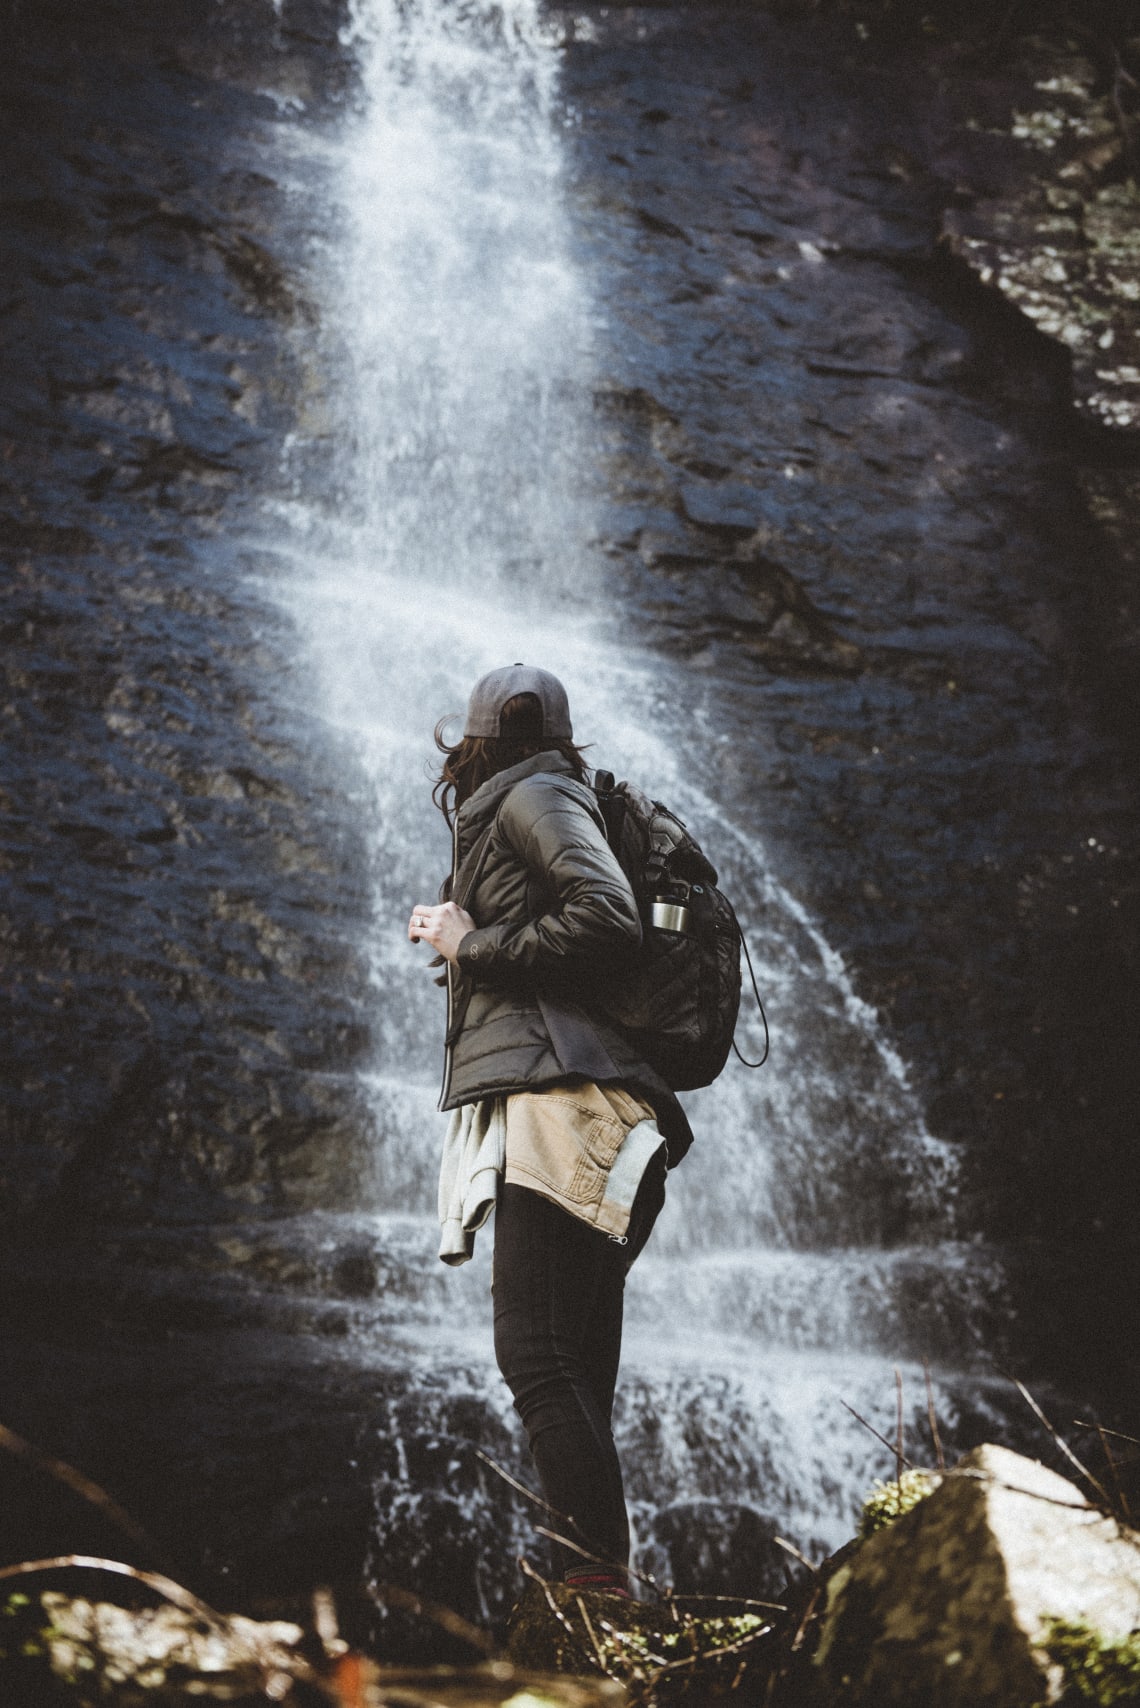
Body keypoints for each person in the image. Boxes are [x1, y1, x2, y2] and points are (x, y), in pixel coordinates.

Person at [407, 663, 692, 1598]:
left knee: (533, 1351)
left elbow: (605, 915)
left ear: (476, 742)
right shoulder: (547, 797)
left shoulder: (534, 794)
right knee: (572, 1365)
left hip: (568, 1104)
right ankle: (594, 1595)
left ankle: (596, 1588)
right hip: (597, 1106)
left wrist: (470, 945)